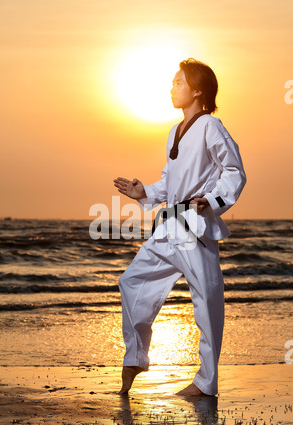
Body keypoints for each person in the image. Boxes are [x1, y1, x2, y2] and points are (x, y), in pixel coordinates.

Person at [113, 58, 246, 396]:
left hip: (194, 226)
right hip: (168, 227)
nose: (172, 88)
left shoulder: (211, 127)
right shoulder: (175, 130)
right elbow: (170, 181)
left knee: (207, 302)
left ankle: (206, 383)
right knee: (131, 282)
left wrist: (213, 201)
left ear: (197, 90)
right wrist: (144, 193)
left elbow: (234, 171)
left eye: (178, 83)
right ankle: (136, 356)